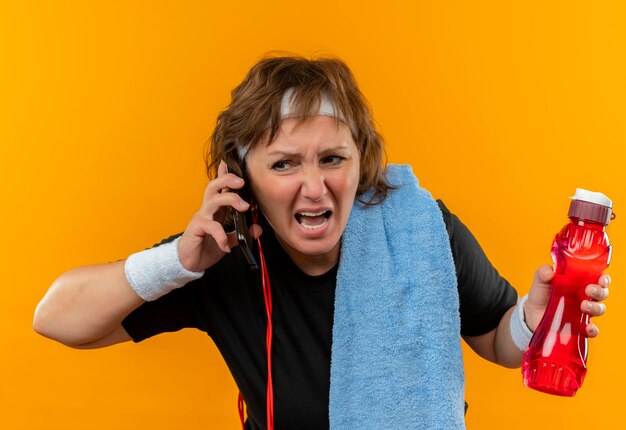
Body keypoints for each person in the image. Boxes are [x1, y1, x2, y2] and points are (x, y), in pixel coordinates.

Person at [34, 55, 610, 430]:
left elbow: (495, 339)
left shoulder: (420, 228)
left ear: (362, 161)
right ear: (242, 175)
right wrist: (176, 262)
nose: (315, 188)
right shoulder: (223, 257)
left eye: (333, 158)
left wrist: (534, 319)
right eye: (285, 163)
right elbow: (57, 318)